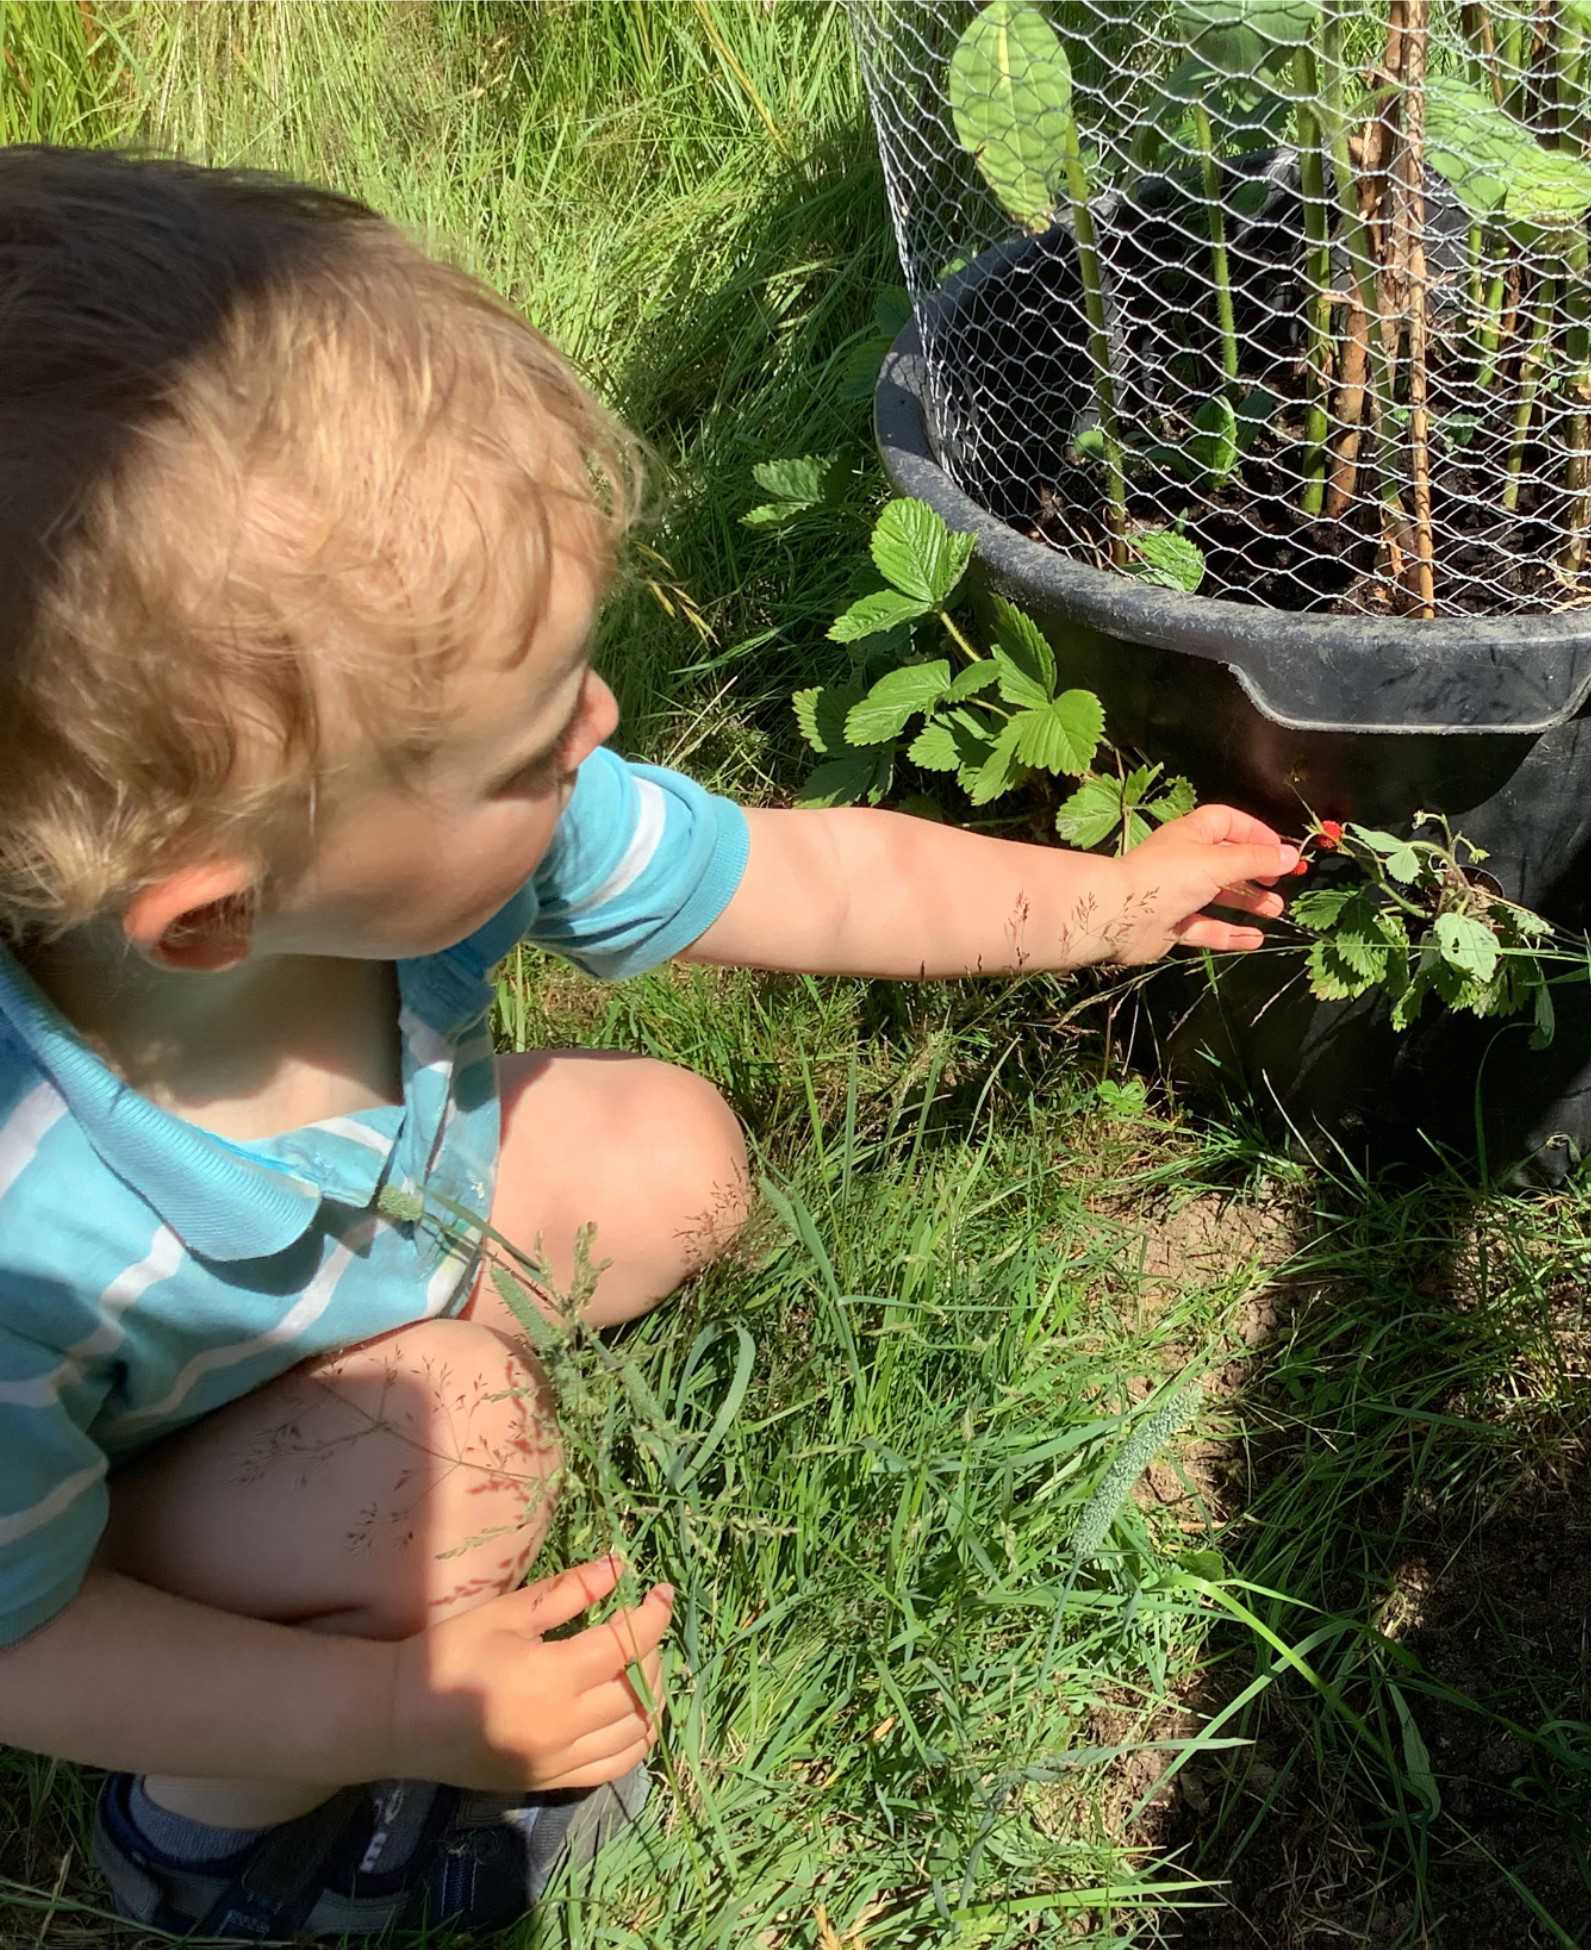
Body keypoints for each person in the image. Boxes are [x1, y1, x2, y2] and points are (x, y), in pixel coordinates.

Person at [0, 146, 1298, 1939]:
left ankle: (344, 1498)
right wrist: (394, 1710)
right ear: (218, 914)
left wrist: (1107, 902)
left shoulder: (424, 868)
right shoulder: (34, 1238)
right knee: (466, 1435)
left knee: (670, 1158)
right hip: (81, 1546)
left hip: (311, 1303)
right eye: (533, 744)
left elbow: (805, 874)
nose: (601, 730)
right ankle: (208, 1845)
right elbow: (25, 1646)